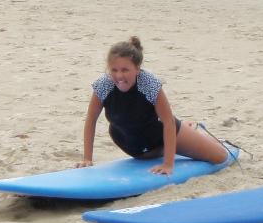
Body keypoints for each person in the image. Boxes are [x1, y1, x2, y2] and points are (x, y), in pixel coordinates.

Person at [79, 36, 229, 175]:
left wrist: (168, 164)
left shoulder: (149, 83)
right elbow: (91, 120)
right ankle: (188, 133)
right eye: (114, 70)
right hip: (134, 147)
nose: (119, 76)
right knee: (157, 148)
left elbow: (168, 122)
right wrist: (87, 158)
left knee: (221, 156)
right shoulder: (103, 84)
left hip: (160, 138)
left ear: (137, 68)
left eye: (125, 70)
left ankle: (192, 135)